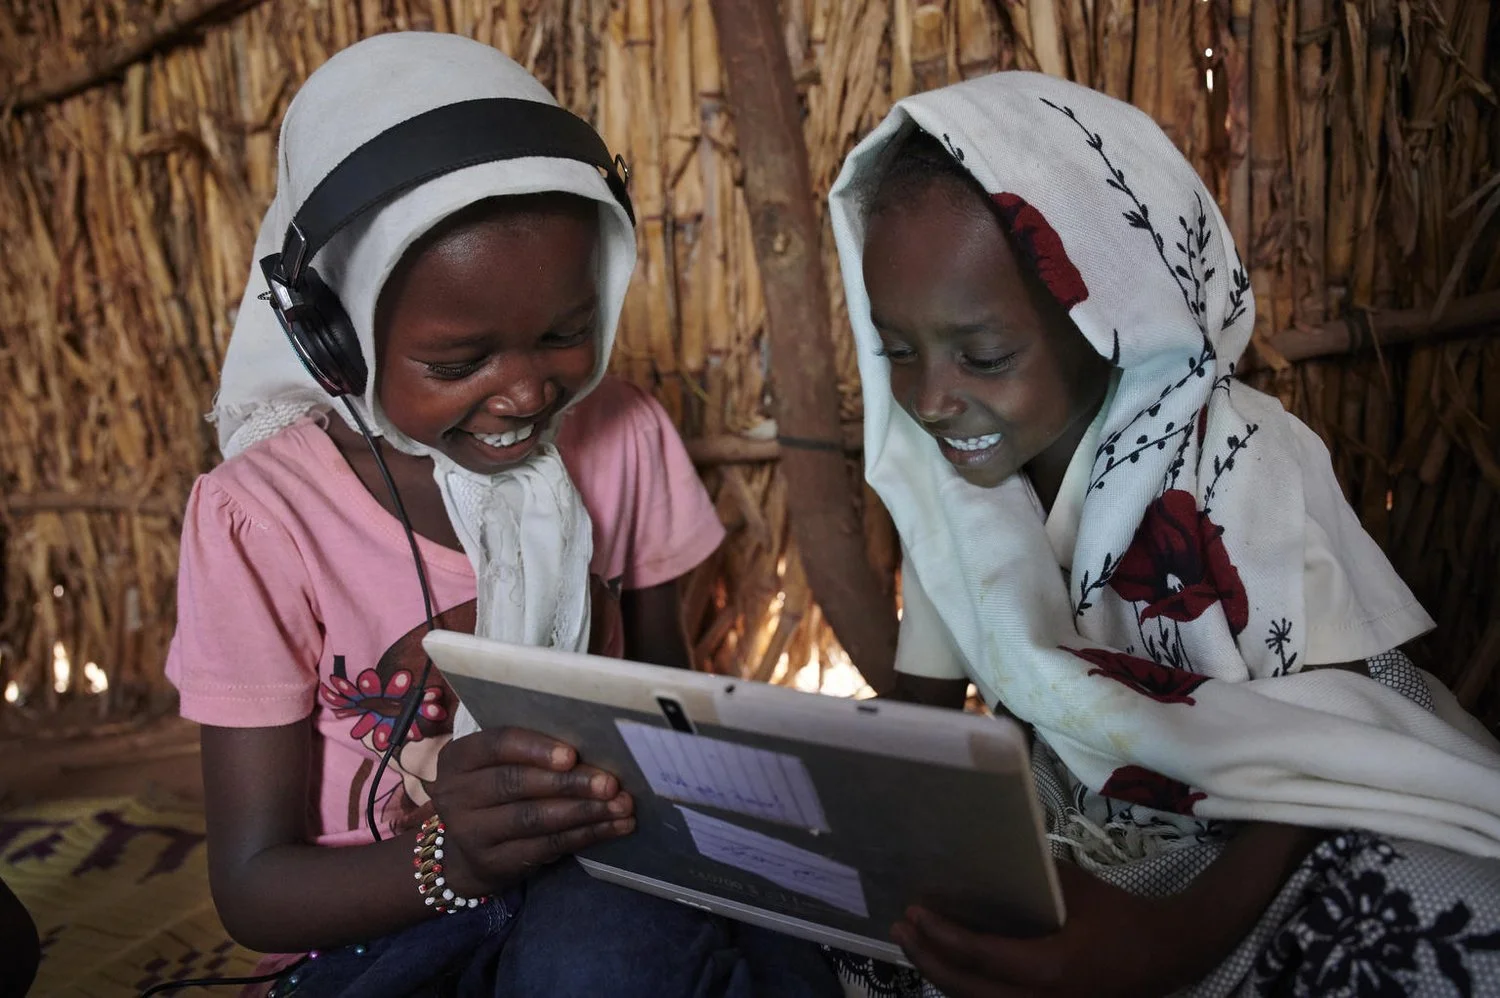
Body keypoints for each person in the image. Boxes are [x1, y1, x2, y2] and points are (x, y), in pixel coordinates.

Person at [166, 31, 841, 998]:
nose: (526, 393)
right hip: (376, 923)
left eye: (568, 333)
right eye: (457, 363)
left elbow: (672, 715)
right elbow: (253, 891)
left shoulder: (623, 436)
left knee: (608, 961)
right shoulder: (260, 519)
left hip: (603, 882)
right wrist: (458, 862)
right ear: (334, 339)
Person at [822, 71, 1500, 998]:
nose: (932, 399)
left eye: (983, 355)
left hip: (1297, 818)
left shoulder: (1246, 461)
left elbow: (1336, 745)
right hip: (1101, 825)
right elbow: (922, 714)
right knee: (886, 935)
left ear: (1113, 322)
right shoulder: (957, 503)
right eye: (897, 351)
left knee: (1419, 927)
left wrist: (1171, 941)